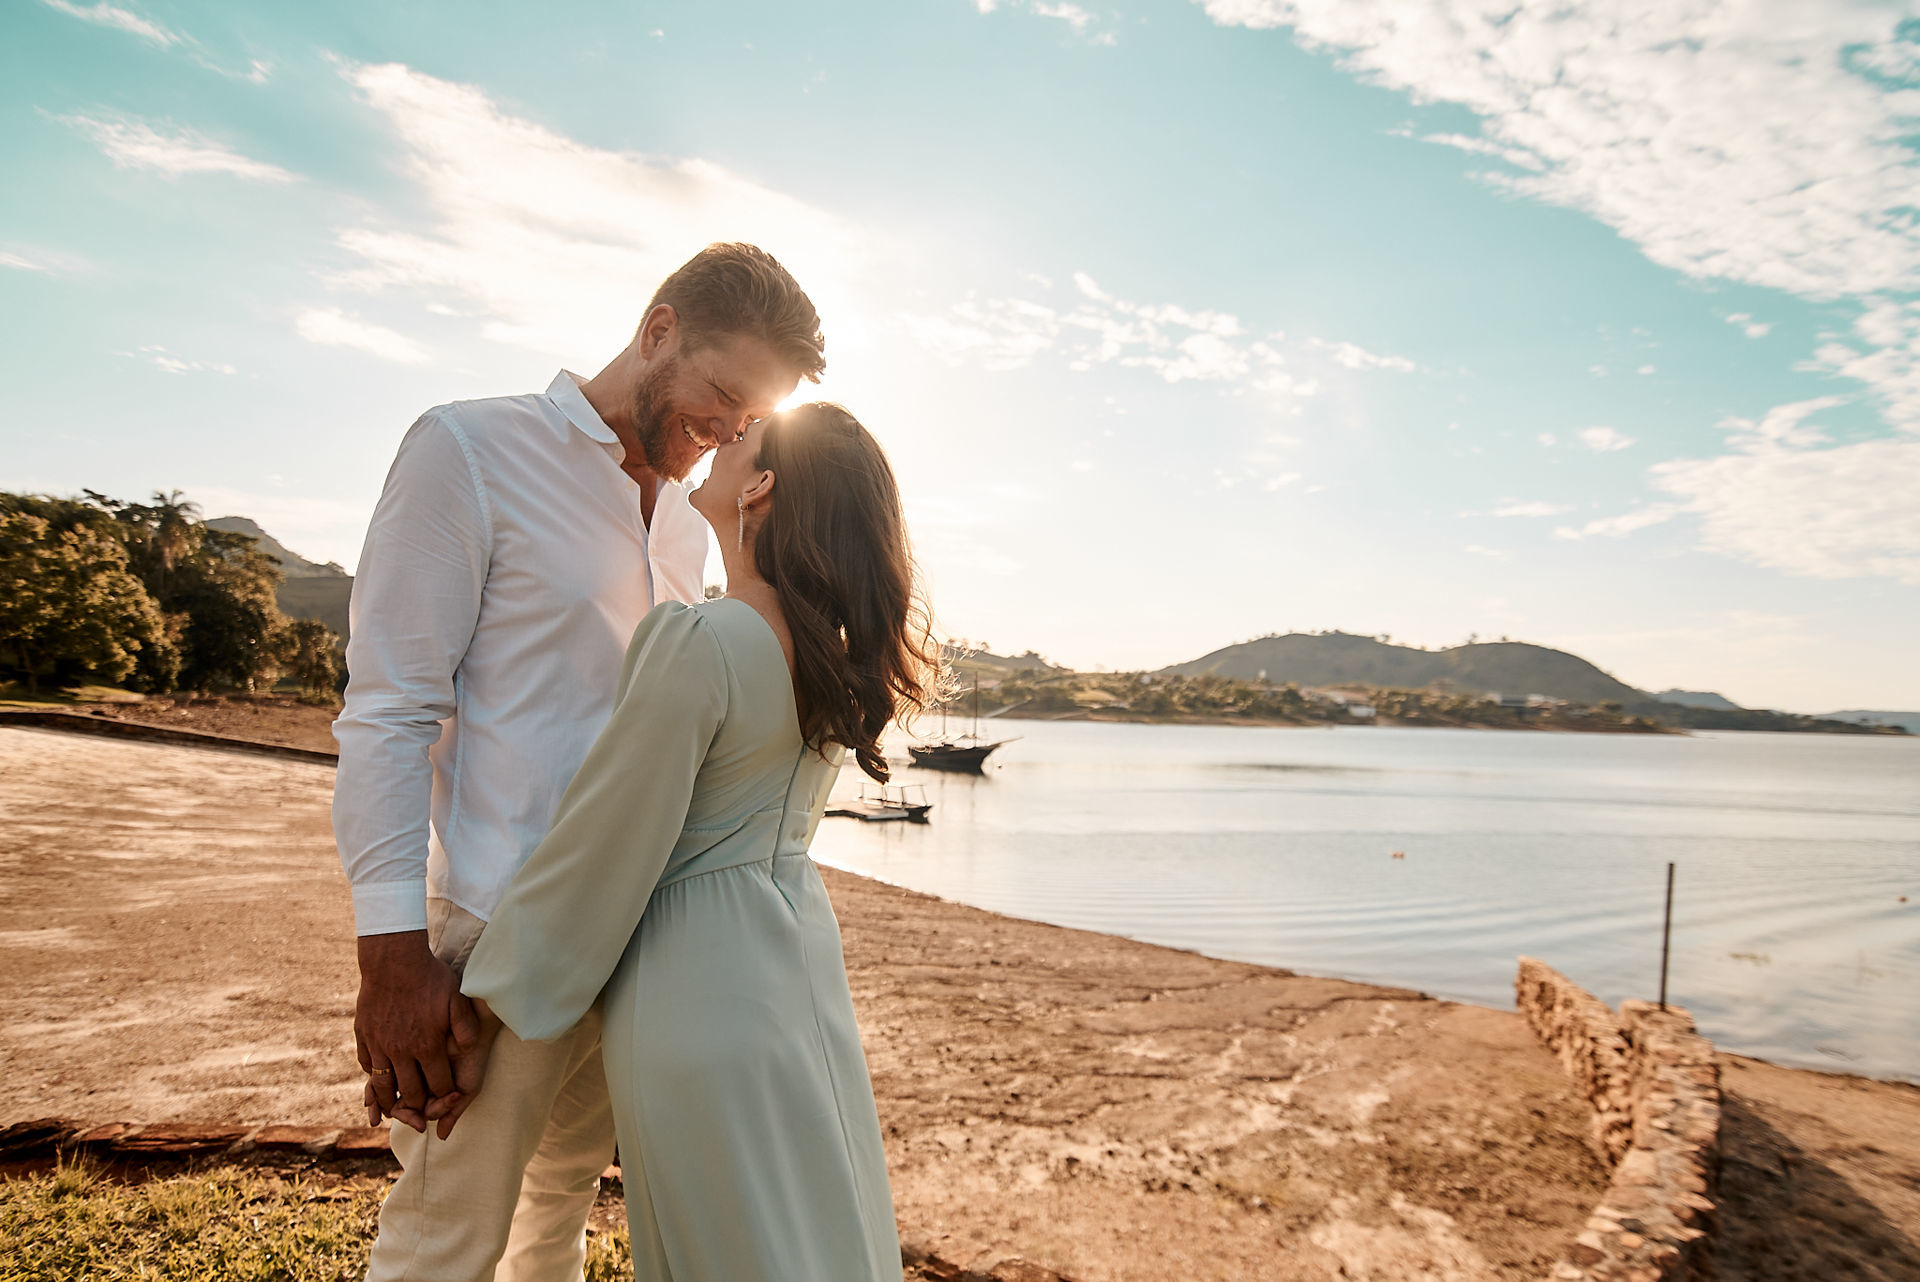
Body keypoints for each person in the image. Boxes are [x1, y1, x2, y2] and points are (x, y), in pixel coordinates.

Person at [332, 242, 825, 1281]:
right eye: (719, 396)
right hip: (491, 935)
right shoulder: (467, 449)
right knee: (443, 1240)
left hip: (630, 942)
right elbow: (388, 710)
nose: (725, 433)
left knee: (554, 1223)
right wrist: (391, 956)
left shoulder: (692, 532)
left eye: (747, 423)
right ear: (658, 330)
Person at [454, 402, 938, 1282]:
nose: (719, 445)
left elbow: (603, 851)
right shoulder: (832, 659)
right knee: (809, 1232)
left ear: (762, 486)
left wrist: (477, 1002)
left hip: (695, 985)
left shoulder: (703, 640)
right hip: (797, 975)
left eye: (742, 440)